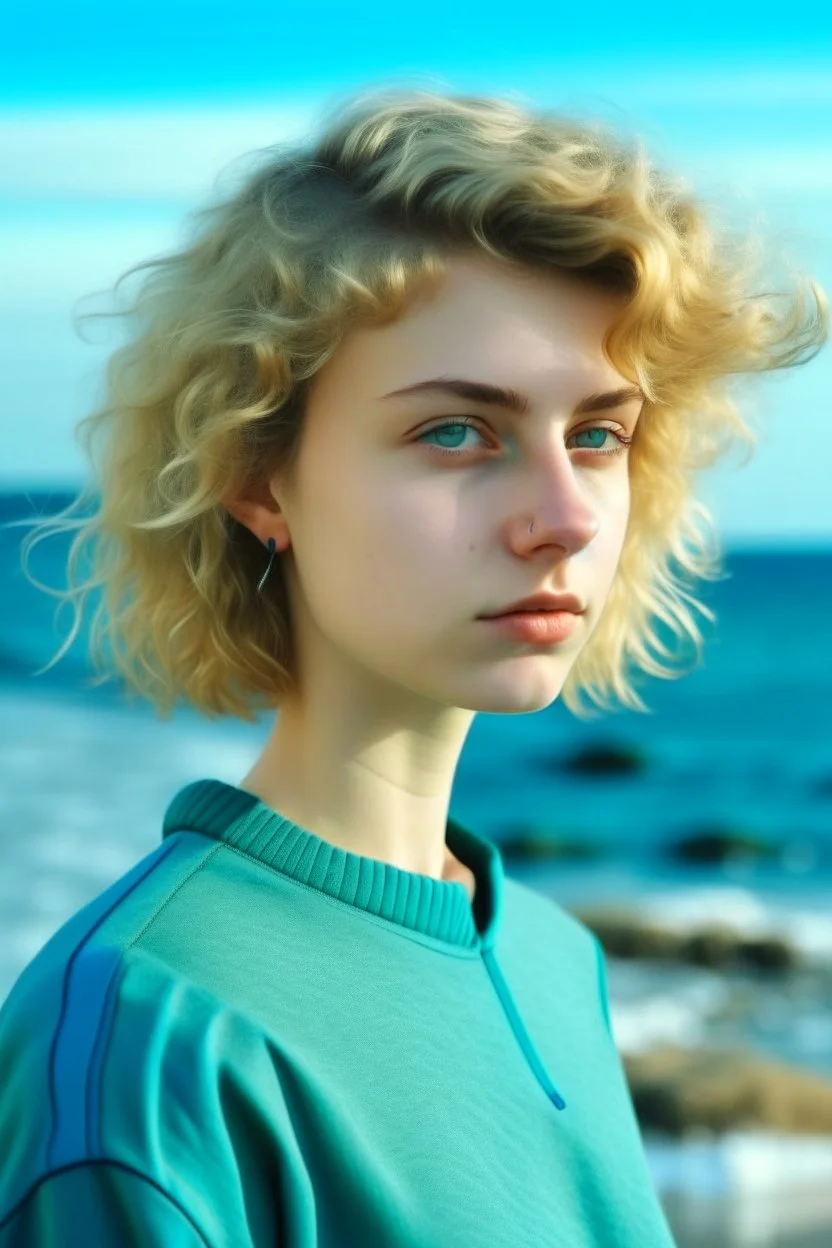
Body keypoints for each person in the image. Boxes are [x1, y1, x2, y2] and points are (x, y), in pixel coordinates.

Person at [0, 84, 827, 1247]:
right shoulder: (150, 1035)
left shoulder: (552, 956)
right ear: (256, 476)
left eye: (597, 434)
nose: (565, 516)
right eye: (456, 432)